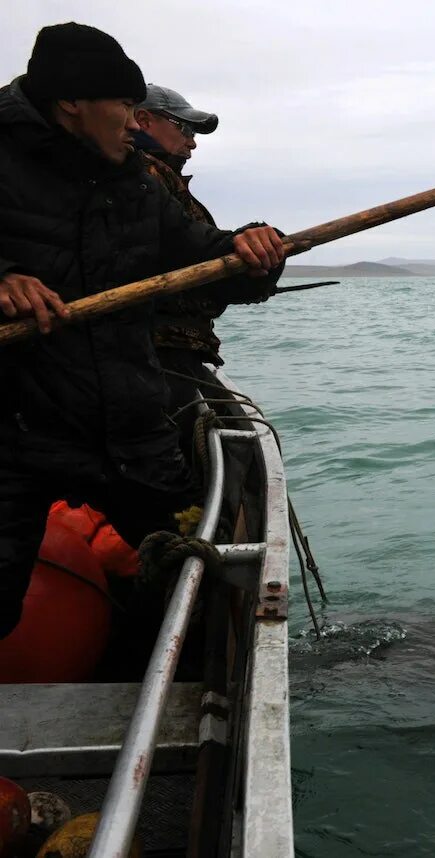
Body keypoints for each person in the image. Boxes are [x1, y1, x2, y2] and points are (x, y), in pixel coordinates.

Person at [0, 22, 286, 640]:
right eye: (125, 107)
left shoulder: (134, 179)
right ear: (71, 103)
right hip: (13, 432)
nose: (135, 124)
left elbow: (203, 263)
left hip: (129, 427)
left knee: (196, 569)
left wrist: (253, 249)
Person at [133, 83, 262, 439]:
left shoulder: (159, 176)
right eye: (185, 129)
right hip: (153, 354)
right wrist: (250, 252)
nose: (192, 142)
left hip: (161, 352)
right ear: (143, 120)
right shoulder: (143, 175)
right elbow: (191, 249)